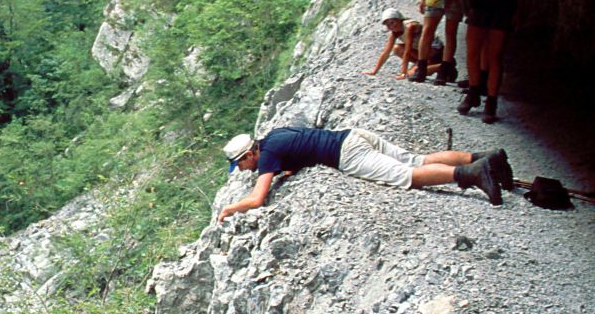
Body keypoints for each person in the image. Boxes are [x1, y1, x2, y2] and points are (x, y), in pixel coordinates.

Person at [218, 127, 514, 222]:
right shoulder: (276, 136)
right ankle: (489, 158)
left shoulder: (267, 156)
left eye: (241, 164)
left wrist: (231, 207)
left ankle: (472, 174)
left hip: (348, 155)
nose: (243, 169)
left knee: (407, 175)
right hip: (353, 135)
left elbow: (258, 199)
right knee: (416, 158)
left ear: (249, 154)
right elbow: (302, 147)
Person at [362, 8, 443, 80]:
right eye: (388, 25)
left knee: (410, 73)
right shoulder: (394, 33)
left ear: (399, 19)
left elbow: (407, 51)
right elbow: (386, 53)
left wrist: (403, 73)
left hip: (435, 51)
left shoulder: (409, 26)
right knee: (396, 48)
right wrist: (374, 71)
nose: (391, 26)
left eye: (392, 22)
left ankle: (443, 67)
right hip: (423, 53)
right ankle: (426, 66)